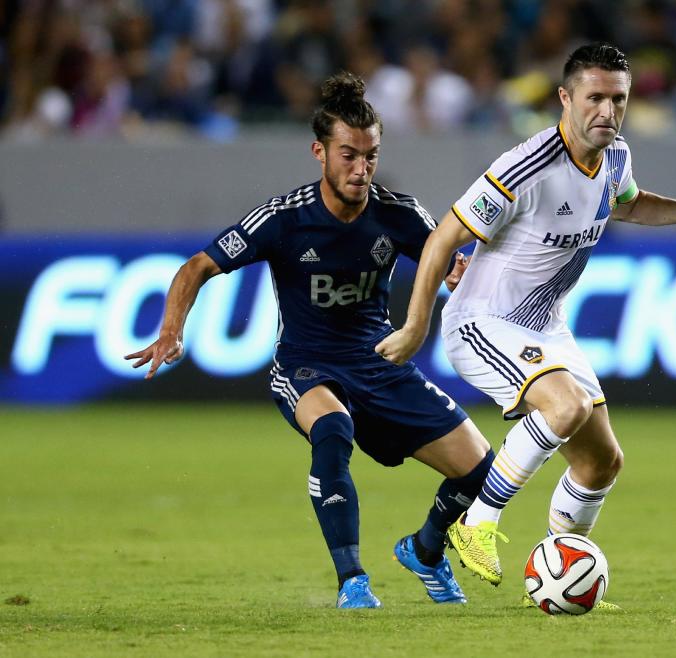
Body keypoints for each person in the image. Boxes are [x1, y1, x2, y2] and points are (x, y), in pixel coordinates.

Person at [375, 43, 676, 607]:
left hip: (545, 327)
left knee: (600, 460)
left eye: (619, 99)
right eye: (595, 98)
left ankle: (563, 570)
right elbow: (442, 238)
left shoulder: (616, 157)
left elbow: (628, 204)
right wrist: (415, 324)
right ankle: (477, 522)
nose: (607, 111)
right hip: (482, 321)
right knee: (566, 407)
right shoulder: (526, 167)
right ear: (565, 98)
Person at [125, 72, 495, 609]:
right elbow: (198, 266)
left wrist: (457, 275)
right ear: (319, 152)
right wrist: (170, 329)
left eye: (370, 156)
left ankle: (426, 550)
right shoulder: (283, 219)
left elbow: (444, 257)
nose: (361, 168)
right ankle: (353, 581)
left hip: (379, 362)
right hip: (307, 363)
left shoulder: (398, 214)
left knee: (482, 471)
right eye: (348, 155)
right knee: (333, 429)